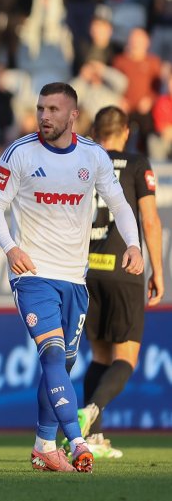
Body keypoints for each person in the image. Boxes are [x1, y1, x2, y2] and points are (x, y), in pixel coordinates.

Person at [0, 82, 144, 474]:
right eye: (41, 108)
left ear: (73, 115)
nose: (45, 116)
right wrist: (10, 247)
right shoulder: (19, 152)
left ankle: (43, 446)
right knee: (53, 354)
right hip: (33, 273)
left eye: (54, 109)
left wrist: (134, 244)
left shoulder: (93, 156)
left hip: (76, 279)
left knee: (63, 364)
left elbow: (121, 204)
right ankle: (76, 441)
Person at [80, 106, 164, 459]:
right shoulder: (136, 163)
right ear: (126, 132)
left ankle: (92, 438)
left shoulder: (83, 164)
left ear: (96, 131)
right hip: (124, 269)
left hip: (88, 270)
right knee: (126, 356)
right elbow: (149, 221)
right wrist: (157, 270)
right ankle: (91, 412)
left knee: (99, 355)